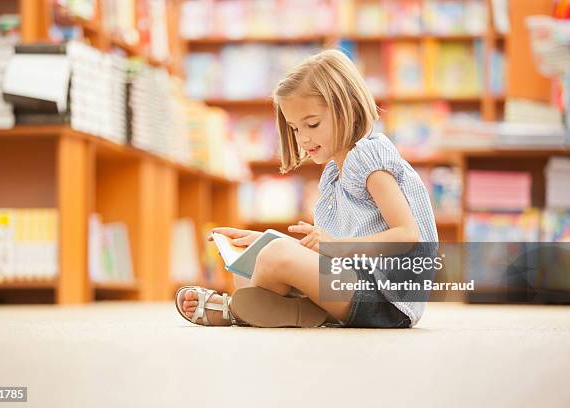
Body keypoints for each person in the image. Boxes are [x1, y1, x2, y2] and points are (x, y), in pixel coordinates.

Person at [175, 49, 438, 328]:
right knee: (248, 261)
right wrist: (263, 240)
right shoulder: (335, 174)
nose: (303, 138)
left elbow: (406, 236)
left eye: (311, 124)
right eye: (294, 128)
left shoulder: (369, 158)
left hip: (386, 299)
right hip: (352, 284)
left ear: (346, 107)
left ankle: (234, 311)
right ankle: (297, 310)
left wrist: (327, 247)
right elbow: (326, 249)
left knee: (275, 256)